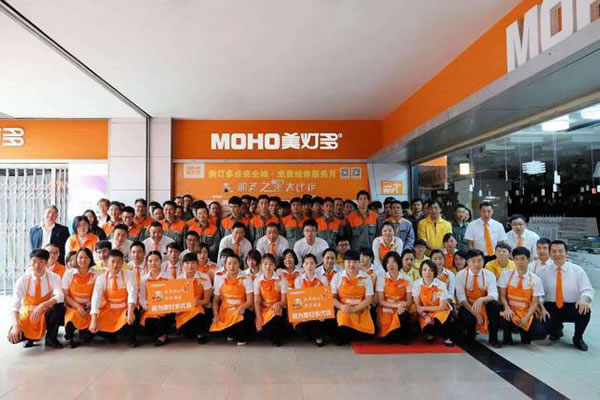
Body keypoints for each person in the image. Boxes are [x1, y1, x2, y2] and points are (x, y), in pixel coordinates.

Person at [538, 240, 594, 351]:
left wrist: (584, 299)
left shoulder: (577, 270)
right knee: (542, 330)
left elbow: (587, 289)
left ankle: (578, 338)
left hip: (571, 306)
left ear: (567, 253)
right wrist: (541, 308)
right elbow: (538, 293)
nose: (557, 254)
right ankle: (556, 329)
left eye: (560, 251)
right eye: (554, 251)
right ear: (550, 254)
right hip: (551, 306)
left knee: (585, 311)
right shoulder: (542, 272)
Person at [8, 249, 65, 348]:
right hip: (28, 314)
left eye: (41, 262)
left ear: (46, 263)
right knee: (13, 337)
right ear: (30, 263)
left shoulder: (54, 277)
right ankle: (29, 338)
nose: (37, 265)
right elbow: (14, 307)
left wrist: (42, 305)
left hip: (45, 311)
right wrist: (15, 326)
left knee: (59, 308)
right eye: (34, 262)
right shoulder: (22, 280)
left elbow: (60, 296)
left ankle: (51, 338)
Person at [498, 247, 547, 345]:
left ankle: (523, 330)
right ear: (513, 260)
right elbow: (502, 296)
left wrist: (527, 317)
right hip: (510, 310)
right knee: (503, 318)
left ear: (528, 260)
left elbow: (535, 302)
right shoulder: (506, 275)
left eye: (522, 258)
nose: (520, 262)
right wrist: (506, 308)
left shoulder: (536, 279)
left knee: (539, 333)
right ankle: (507, 335)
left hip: (526, 311)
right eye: (516, 259)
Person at [89, 250, 138, 347]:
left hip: (125, 309)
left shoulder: (129, 275)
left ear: (123, 263)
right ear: (107, 263)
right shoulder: (101, 278)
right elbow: (96, 298)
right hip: (109, 310)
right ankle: (111, 335)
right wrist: (93, 320)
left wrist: (130, 312)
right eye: (113, 261)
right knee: (91, 327)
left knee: (134, 314)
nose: (115, 265)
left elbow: (132, 294)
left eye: (119, 261)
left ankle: (131, 338)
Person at [455, 249, 502, 348]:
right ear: (468, 262)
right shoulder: (460, 275)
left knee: (495, 306)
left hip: (484, 304)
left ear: (483, 261)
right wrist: (476, 314)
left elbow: (494, 294)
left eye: (480, 261)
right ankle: (470, 337)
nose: (477, 264)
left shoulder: (489, 275)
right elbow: (461, 298)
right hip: (468, 305)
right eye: (473, 261)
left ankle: (493, 338)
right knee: (469, 318)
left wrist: (481, 300)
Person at [331, 250, 375, 345]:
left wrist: (355, 309)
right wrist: (342, 306)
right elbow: (332, 298)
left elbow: (368, 299)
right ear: (344, 263)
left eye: (355, 262)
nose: (351, 265)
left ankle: (350, 334)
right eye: (349, 262)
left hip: (360, 309)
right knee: (340, 334)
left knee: (368, 335)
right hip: (344, 309)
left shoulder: (366, 277)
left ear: (359, 263)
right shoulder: (337, 277)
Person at [210, 254, 254, 345]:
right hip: (225, 310)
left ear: (239, 264)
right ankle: (231, 332)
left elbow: (250, 301)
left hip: (240, 309)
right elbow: (215, 300)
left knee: (242, 323)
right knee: (215, 332)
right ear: (225, 265)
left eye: (235, 263)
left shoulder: (246, 278)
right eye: (229, 263)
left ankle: (239, 335)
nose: (232, 266)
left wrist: (243, 307)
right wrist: (215, 314)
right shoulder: (220, 278)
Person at [412, 260, 454, 346]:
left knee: (439, 321)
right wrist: (426, 316)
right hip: (425, 313)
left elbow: (442, 307)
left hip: (441, 311)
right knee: (427, 328)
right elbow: (418, 306)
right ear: (421, 271)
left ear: (434, 272)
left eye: (430, 270)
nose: (427, 272)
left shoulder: (441, 285)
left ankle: (446, 337)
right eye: (424, 270)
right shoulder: (416, 284)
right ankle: (431, 333)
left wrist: (423, 308)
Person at [61, 248, 97, 348]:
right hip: (72, 306)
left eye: (86, 257)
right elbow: (65, 295)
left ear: (91, 259)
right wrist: (78, 306)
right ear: (76, 259)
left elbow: (98, 294)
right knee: (72, 316)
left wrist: (89, 305)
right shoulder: (69, 273)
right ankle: (69, 337)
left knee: (87, 337)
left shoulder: (95, 274)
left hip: (90, 306)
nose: (83, 260)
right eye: (80, 257)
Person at [176, 252, 213, 344]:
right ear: (183, 265)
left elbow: (207, 300)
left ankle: (200, 334)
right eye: (187, 263)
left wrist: (198, 302)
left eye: (193, 263)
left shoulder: (204, 277)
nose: (190, 266)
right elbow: (178, 300)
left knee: (198, 312)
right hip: (184, 309)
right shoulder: (179, 279)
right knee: (187, 334)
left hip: (199, 305)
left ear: (197, 264)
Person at [376, 251, 413, 343]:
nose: (391, 265)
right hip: (386, 308)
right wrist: (397, 305)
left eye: (394, 262)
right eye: (388, 262)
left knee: (404, 314)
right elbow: (381, 301)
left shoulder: (406, 279)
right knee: (387, 339)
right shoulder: (381, 278)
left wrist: (403, 305)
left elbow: (409, 299)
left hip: (401, 308)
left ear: (399, 263)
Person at [294, 254, 330, 347]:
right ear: (303, 265)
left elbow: (326, 298)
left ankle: (318, 336)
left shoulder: (323, 279)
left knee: (319, 322)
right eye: (306, 263)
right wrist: (302, 314)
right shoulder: (298, 280)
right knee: (301, 329)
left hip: (318, 310)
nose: (309, 266)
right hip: (304, 310)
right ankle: (312, 335)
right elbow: (297, 299)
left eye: (312, 263)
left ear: (316, 265)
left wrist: (323, 313)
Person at [138, 251, 172, 346]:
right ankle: (159, 333)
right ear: (147, 263)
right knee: (147, 324)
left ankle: (163, 336)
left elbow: (172, 295)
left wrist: (165, 308)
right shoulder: (144, 279)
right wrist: (149, 307)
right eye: (150, 261)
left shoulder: (168, 277)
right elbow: (142, 298)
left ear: (161, 261)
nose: (153, 263)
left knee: (161, 319)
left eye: (156, 260)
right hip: (150, 308)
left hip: (165, 308)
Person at [254, 253, 287, 346]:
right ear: (261, 266)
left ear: (275, 266)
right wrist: (258, 317)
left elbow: (284, 301)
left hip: (277, 308)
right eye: (265, 264)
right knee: (261, 332)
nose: (268, 267)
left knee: (276, 319)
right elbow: (256, 301)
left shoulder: (281, 280)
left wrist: (278, 304)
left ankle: (277, 339)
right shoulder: (257, 280)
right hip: (264, 309)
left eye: (271, 264)